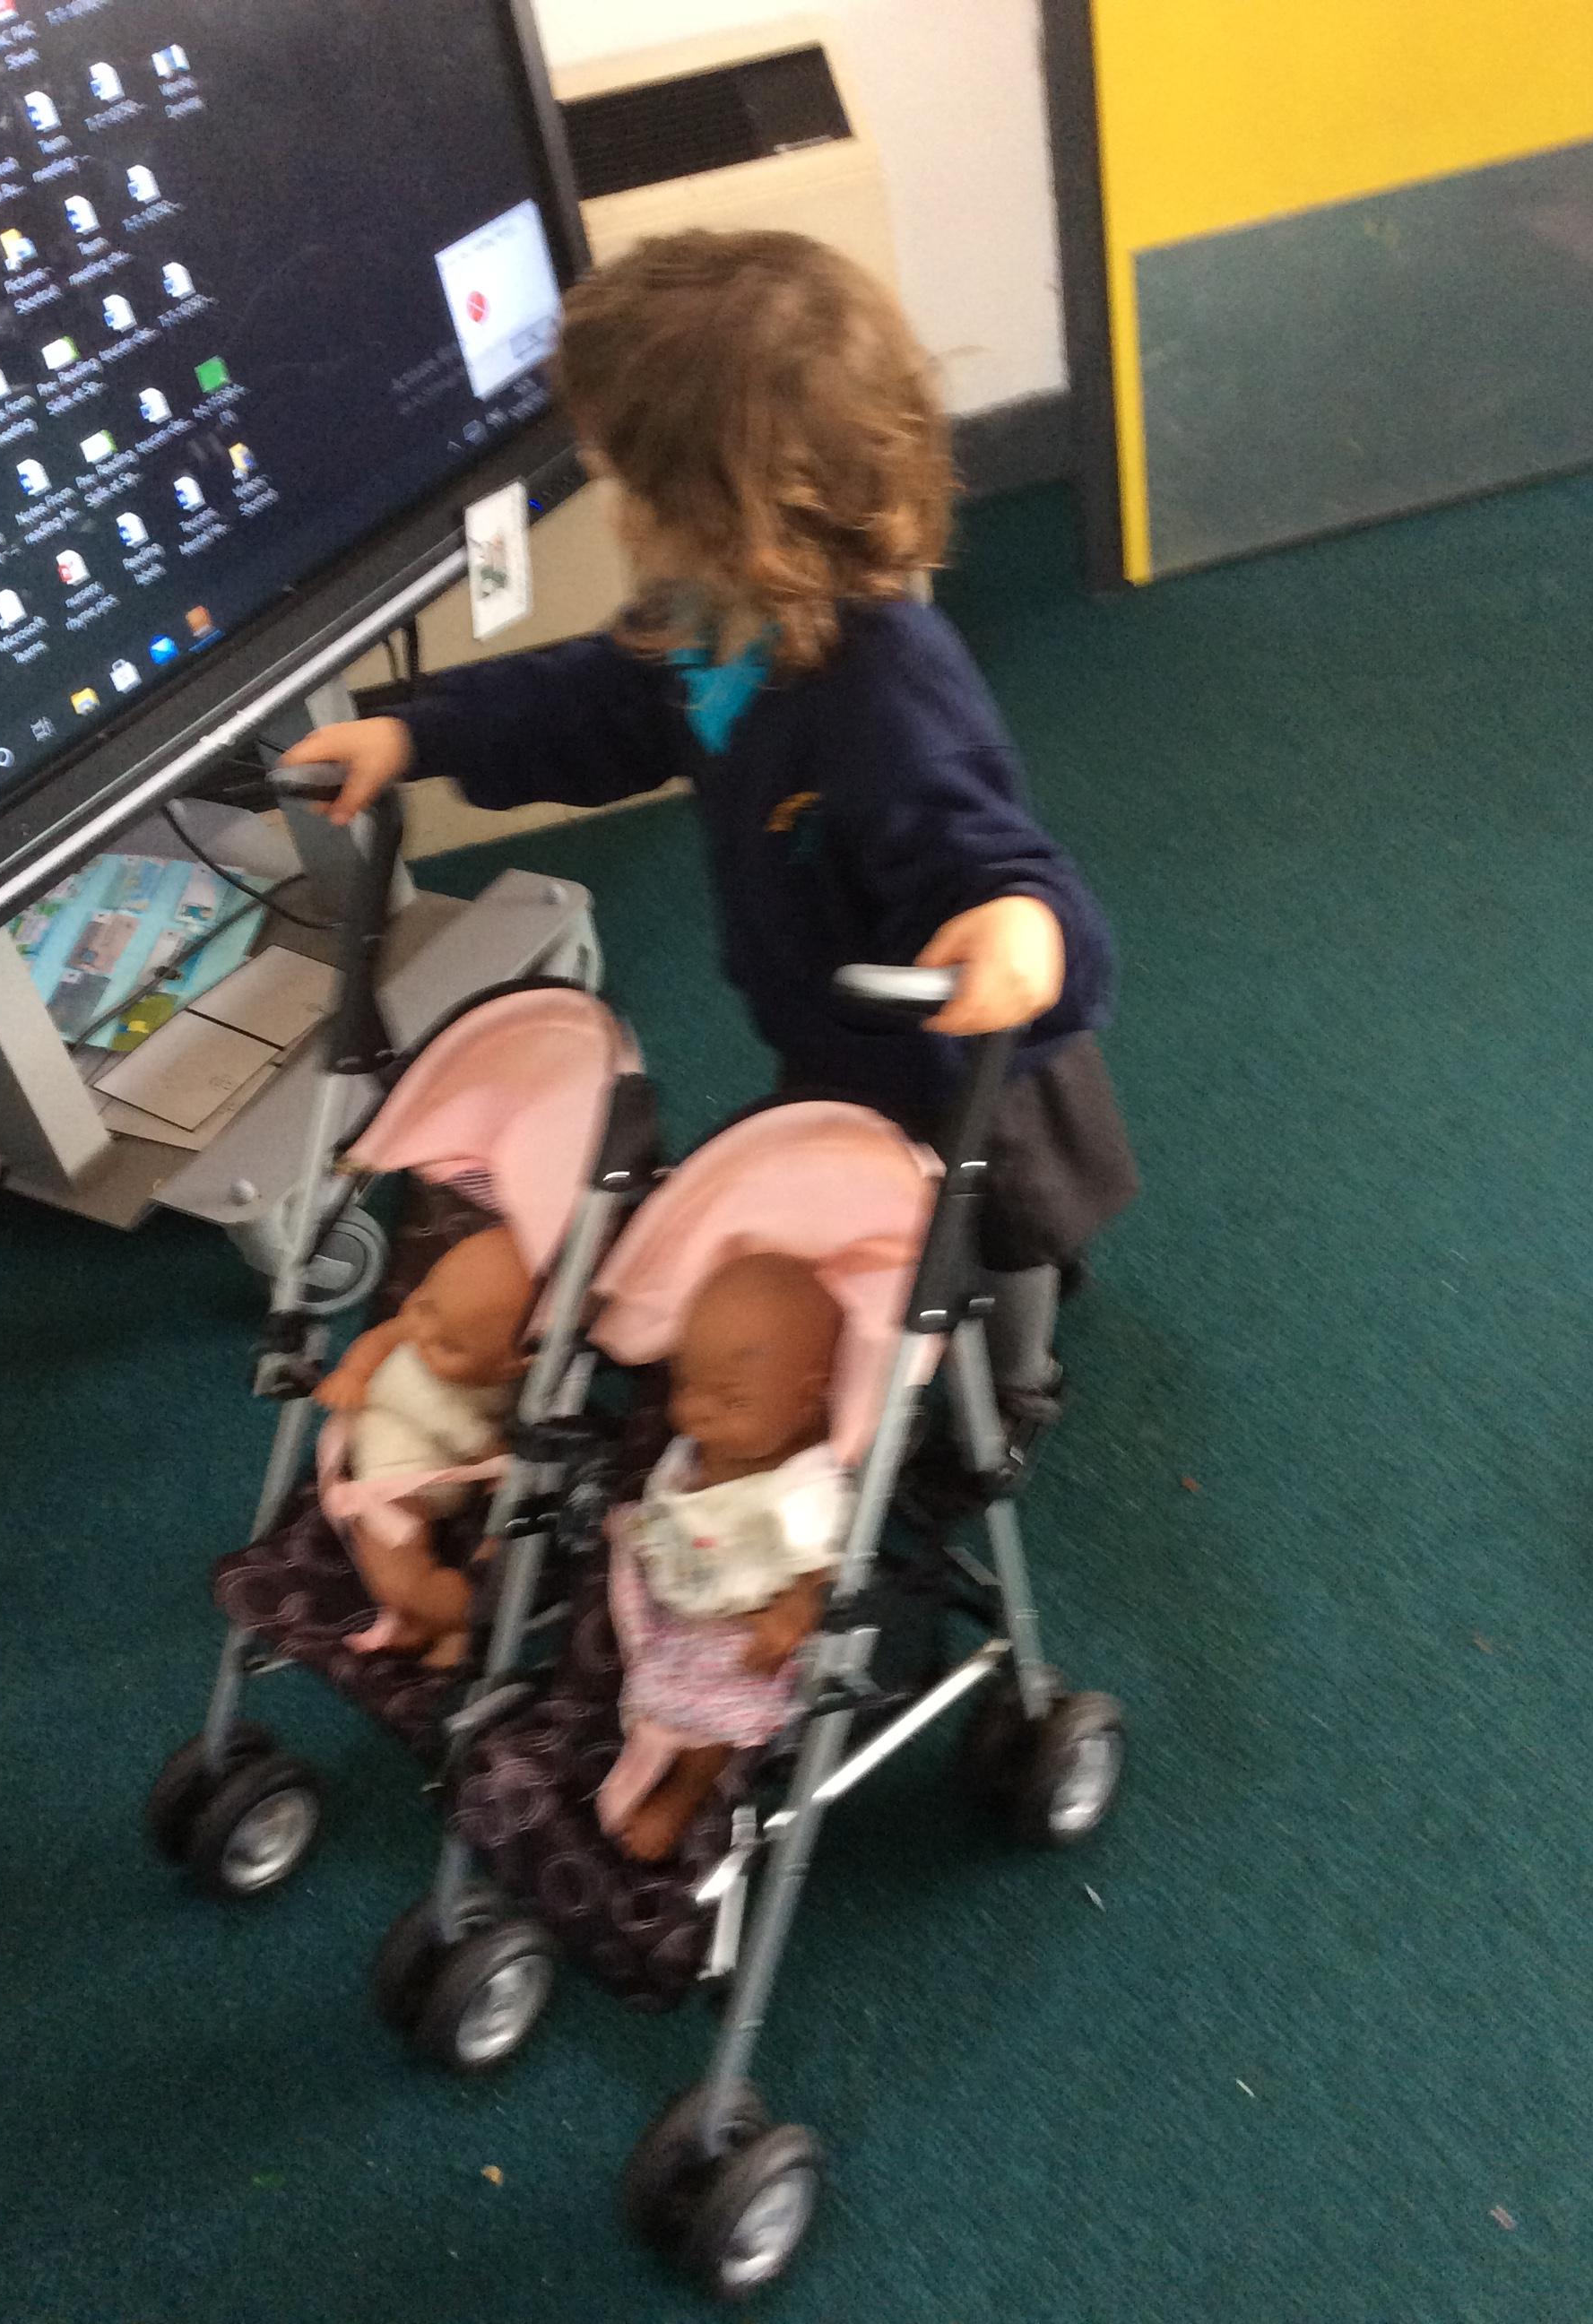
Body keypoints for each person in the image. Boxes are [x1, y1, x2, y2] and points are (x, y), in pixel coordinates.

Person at [283, 230, 1138, 1461]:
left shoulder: (889, 691)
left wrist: (1021, 922)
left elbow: (1000, 861)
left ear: (705, 507)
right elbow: (591, 703)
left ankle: (1014, 1385)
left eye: (622, 476)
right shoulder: (710, 617)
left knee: (998, 1230)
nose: (613, 500)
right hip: (833, 1031)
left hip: (966, 1063)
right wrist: (421, 731)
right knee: (845, 1220)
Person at [599, 1250, 848, 1862]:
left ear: (806, 1401)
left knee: (714, 1716)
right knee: (629, 1599)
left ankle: (687, 1788)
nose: (696, 1413)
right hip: (682, 1581)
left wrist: (796, 1609)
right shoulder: (716, 1434)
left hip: (741, 1624)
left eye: (730, 1401)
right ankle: (653, 1716)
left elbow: (820, 1563)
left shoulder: (801, 1490)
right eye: (686, 1384)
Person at [314, 1225, 531, 1667]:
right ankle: (424, 1618)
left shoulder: (483, 1391)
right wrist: (354, 1372)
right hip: (377, 1456)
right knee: (386, 1559)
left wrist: (495, 1465)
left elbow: (482, 1445)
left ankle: (458, 1616)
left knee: (395, 1573)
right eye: (425, 1302)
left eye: (447, 1345)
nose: (422, 1331)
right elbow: (386, 1335)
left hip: (409, 1484)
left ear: (511, 1366)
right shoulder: (431, 1326)